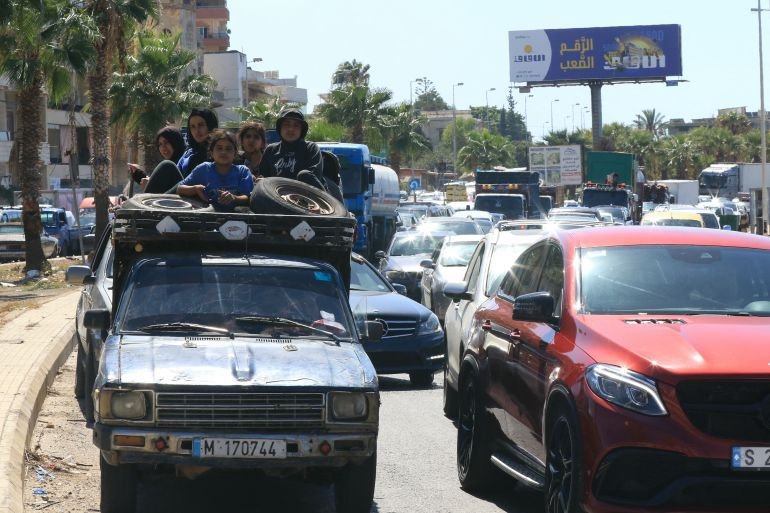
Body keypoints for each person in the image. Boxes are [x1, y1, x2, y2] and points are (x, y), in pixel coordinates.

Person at [143, 108, 218, 194]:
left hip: (199, 194)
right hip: (182, 192)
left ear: (210, 125)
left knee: (167, 165)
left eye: (200, 125)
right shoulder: (189, 152)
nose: (197, 131)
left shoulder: (217, 150)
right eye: (192, 127)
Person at [177, 129, 252, 211]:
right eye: (219, 148)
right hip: (207, 217)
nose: (223, 152)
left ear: (235, 153)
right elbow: (180, 189)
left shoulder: (243, 171)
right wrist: (195, 189)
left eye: (228, 149)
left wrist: (234, 198)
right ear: (212, 152)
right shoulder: (204, 169)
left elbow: (247, 197)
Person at [258, 109, 326, 190]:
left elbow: (312, 179)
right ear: (280, 128)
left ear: (302, 130)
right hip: (276, 197)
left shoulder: (311, 148)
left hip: (309, 197)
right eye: (286, 124)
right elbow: (263, 178)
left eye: (296, 125)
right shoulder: (271, 150)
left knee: (304, 175)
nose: (291, 129)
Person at [128, 126, 186, 191]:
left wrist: (149, 184)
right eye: (160, 144)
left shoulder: (185, 163)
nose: (163, 147)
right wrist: (138, 174)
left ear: (176, 142)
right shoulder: (167, 165)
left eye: (166, 142)